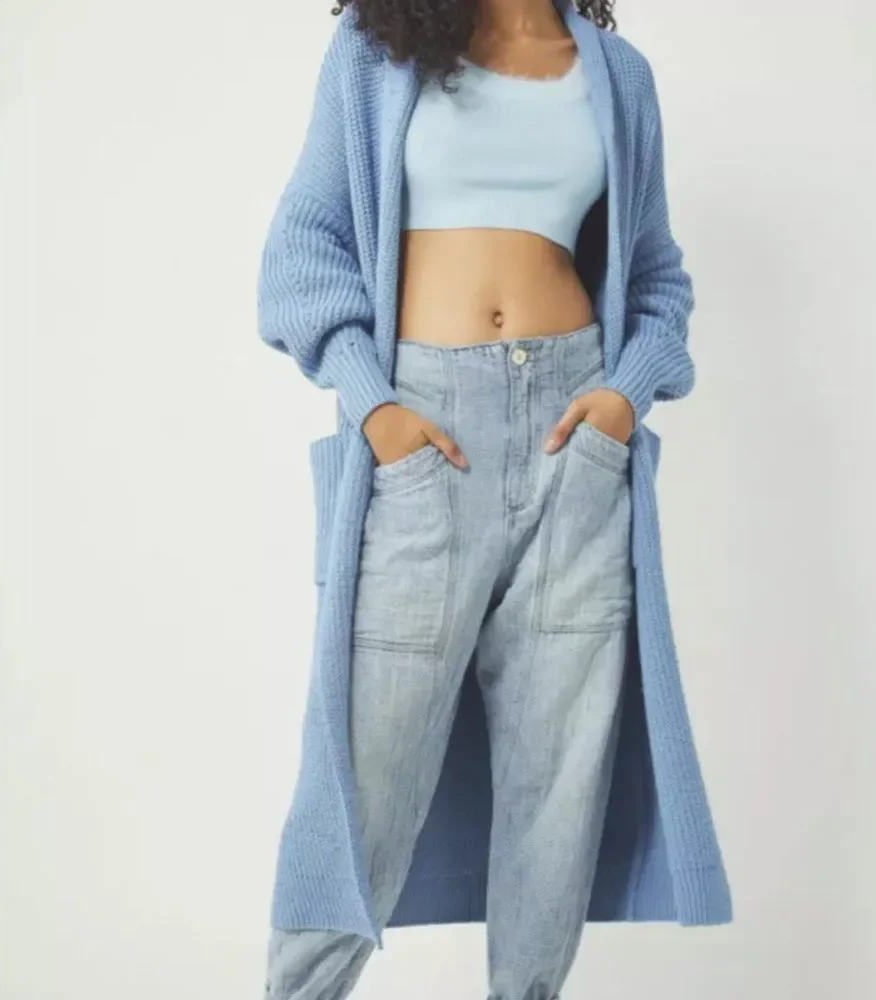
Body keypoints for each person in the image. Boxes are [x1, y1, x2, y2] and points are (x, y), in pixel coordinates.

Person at [257, 1, 732, 998]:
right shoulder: (377, 49)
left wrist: (623, 395)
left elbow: (655, 276)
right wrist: (374, 404)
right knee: (361, 784)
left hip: (576, 440)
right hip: (425, 438)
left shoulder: (617, 75)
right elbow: (305, 246)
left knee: (556, 795)